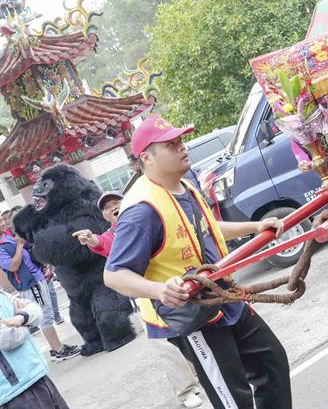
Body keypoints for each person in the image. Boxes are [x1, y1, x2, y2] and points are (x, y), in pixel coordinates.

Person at [103, 115, 291, 409]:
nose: (182, 147)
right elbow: (113, 275)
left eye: (181, 140)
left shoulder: (184, 187)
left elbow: (208, 228)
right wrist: (159, 290)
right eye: (171, 144)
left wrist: (256, 227)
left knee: (271, 361)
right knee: (233, 399)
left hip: (224, 296)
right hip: (194, 315)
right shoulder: (141, 210)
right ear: (147, 158)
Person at [74, 191, 203, 409]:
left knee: (194, 333)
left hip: (176, 285)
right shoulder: (114, 235)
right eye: (107, 207)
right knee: (165, 344)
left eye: (117, 202)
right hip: (148, 298)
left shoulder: (146, 219)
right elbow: (102, 243)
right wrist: (91, 239)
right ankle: (187, 389)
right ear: (105, 216)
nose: (113, 207)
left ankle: (202, 375)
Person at [0, 228, 79, 363]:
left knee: (46, 313)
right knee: (44, 315)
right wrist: (19, 245)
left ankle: (57, 348)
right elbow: (12, 266)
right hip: (30, 284)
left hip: (37, 278)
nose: (2, 222)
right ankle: (58, 350)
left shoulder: (9, 236)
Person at [0, 291, 69, 408]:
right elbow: (7, 337)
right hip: (15, 392)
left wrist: (21, 318)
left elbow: (35, 309)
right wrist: (26, 322)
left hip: (36, 375)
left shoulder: (2, 294)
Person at [8, 206, 64, 327]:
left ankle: (57, 316)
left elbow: (45, 248)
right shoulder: (15, 238)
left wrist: (49, 267)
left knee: (50, 298)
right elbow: (15, 264)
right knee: (44, 313)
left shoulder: (34, 229)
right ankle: (56, 343)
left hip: (42, 272)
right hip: (34, 278)